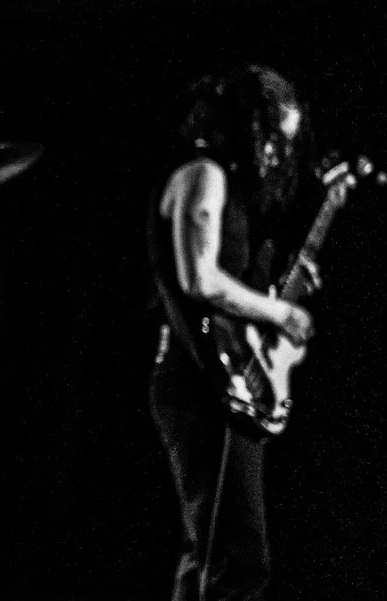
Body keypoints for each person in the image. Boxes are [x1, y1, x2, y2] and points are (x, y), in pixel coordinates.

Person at [146, 65, 316, 601]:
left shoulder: (226, 184)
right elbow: (200, 279)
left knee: (209, 552)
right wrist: (278, 312)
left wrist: (275, 293)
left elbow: (225, 288)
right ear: (247, 126)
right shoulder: (203, 173)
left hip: (215, 381)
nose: (277, 155)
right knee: (237, 560)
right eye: (272, 138)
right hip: (199, 384)